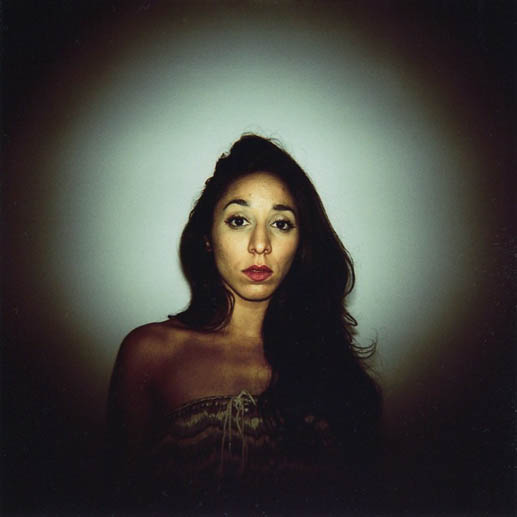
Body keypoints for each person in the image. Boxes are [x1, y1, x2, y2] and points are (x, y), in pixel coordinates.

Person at [107, 134, 382, 513]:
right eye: (238, 220)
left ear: (301, 244)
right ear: (207, 238)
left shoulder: (329, 363)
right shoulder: (150, 353)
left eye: (281, 223)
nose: (260, 244)